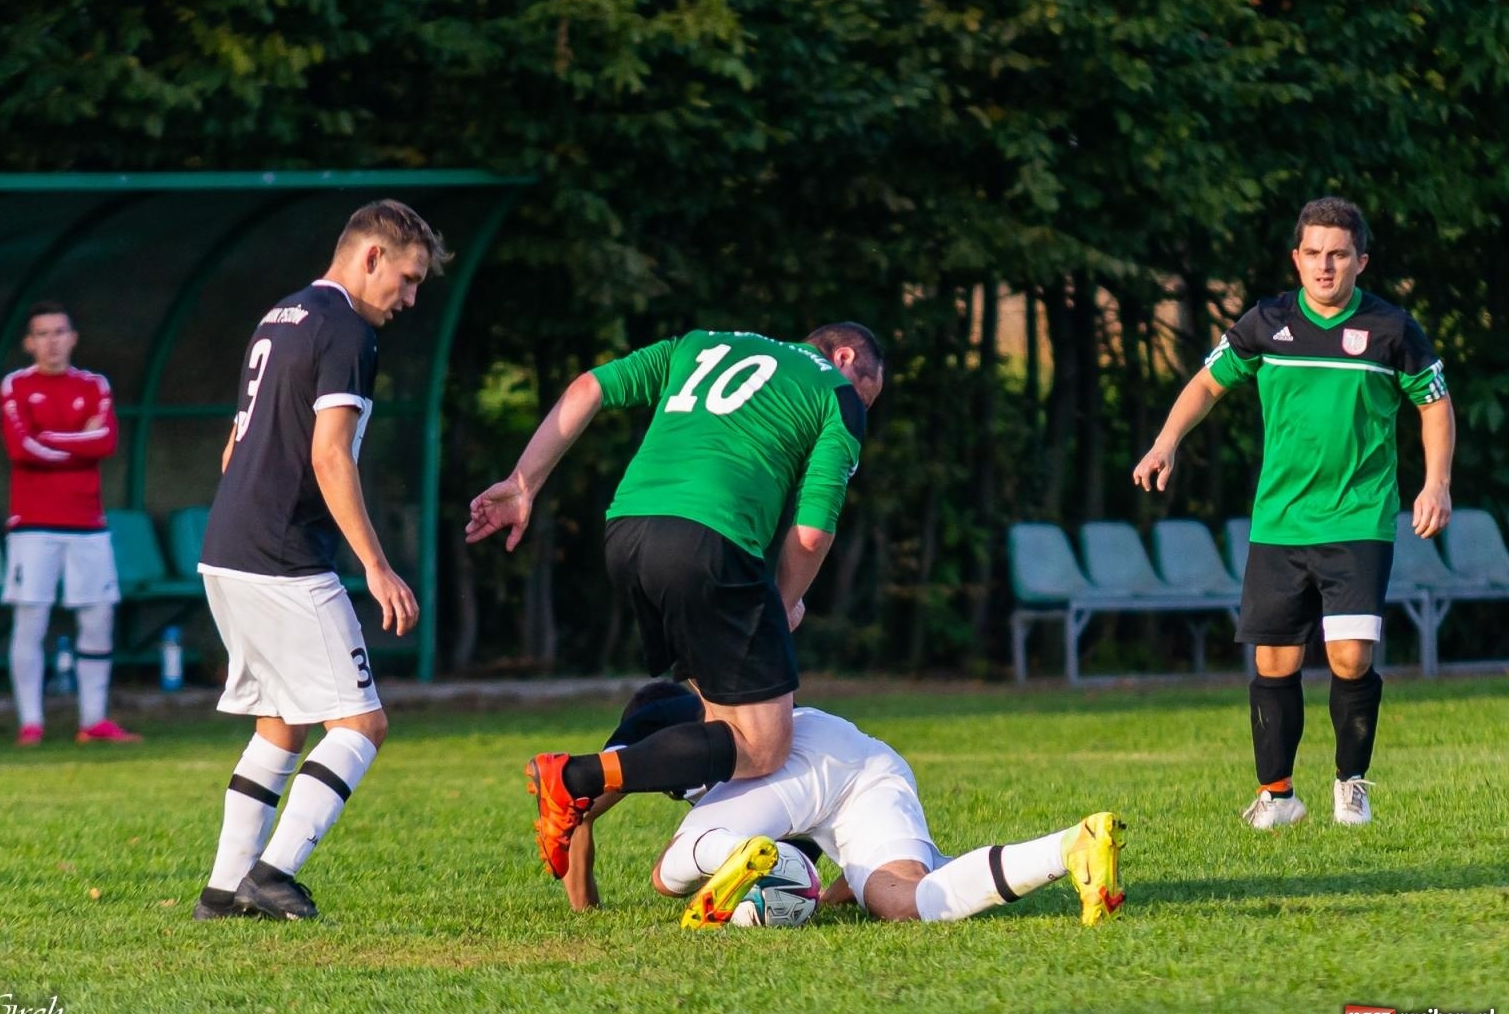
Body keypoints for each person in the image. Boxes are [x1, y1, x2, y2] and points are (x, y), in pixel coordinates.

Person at [466, 323, 885, 880]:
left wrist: (523, 483)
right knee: (763, 747)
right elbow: (811, 532)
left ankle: (622, 782)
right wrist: (784, 604)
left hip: (628, 529)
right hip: (709, 543)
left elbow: (590, 386)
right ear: (845, 356)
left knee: (716, 715)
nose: (862, 409)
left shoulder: (699, 343)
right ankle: (577, 779)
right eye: (867, 395)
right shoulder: (834, 393)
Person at [1133, 196, 1455, 829]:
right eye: (1313, 254)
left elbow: (1435, 405)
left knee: (1350, 657)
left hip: (1358, 518)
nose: (1325, 266)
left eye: (1338, 254)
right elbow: (1207, 382)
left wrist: (1436, 483)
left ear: (1361, 260)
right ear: (1297, 258)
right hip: (1279, 523)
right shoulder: (1266, 322)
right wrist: (1166, 441)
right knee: (1273, 662)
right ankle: (1277, 797)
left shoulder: (1392, 330)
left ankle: (1350, 782)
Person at [191, 200, 445, 921]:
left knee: (280, 724)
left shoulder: (283, 315)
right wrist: (376, 564)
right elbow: (329, 454)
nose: (410, 297)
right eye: (407, 277)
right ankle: (271, 875)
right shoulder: (347, 333)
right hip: (282, 556)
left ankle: (222, 889)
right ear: (370, 257)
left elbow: (233, 445)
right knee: (362, 724)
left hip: (228, 546)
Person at [561, 682, 1126, 929]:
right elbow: (804, 827)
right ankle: (1068, 848)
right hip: (859, 756)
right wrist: (832, 893)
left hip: (793, 762)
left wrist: (585, 909)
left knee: (668, 873)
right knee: (904, 901)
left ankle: (729, 855)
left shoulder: (650, 719)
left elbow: (580, 810)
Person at [0, 302, 140, 747]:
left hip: (88, 523)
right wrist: (81, 441)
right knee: (31, 618)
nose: (51, 341)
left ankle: (93, 719)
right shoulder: (15, 385)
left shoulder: (95, 385)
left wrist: (50, 438)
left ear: (73, 337)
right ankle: (31, 722)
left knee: (98, 617)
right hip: (33, 525)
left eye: (59, 332)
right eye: (42, 334)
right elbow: (20, 448)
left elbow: (108, 440)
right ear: (29, 342)